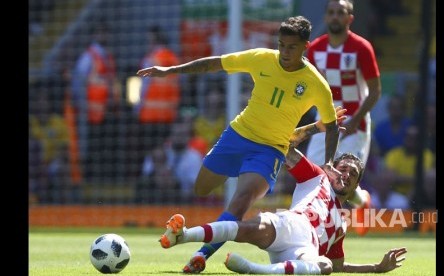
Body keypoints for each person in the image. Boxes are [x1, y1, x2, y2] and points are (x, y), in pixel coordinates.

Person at [137, 15, 340, 273]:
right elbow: (216, 64)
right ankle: (198, 238)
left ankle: (199, 256)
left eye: (291, 47)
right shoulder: (261, 58)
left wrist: (330, 162)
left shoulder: (316, 84)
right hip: (238, 135)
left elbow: (332, 126)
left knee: (240, 202)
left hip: (270, 150)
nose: (284, 52)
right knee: (201, 188)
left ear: (305, 47)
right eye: (281, 45)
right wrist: (171, 71)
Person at [158, 149, 406, 274]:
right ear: (332, 168)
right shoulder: (316, 176)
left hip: (303, 252)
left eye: (353, 174)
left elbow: (339, 265)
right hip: (293, 225)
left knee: (326, 266)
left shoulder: (342, 225)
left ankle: (256, 270)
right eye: (343, 168)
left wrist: (376, 267)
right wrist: (315, 128)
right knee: (246, 229)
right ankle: (185, 235)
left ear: (355, 186)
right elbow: (287, 147)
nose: (346, 175)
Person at [304, 0, 382, 220]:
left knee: (346, 179)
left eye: (341, 13)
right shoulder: (316, 49)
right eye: (331, 13)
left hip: (355, 124)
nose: (335, 16)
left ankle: (360, 200)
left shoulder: (361, 48)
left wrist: (355, 121)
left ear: (350, 19)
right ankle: (320, 221)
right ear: (326, 17)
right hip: (326, 121)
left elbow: (375, 91)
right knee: (315, 174)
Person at [71, 23, 121, 182]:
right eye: (100, 33)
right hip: (92, 112)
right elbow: (78, 81)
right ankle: (91, 179)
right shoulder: (89, 56)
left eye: (105, 32)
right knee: (93, 147)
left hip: (108, 110)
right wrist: (82, 104)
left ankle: (105, 178)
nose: (104, 36)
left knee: (107, 148)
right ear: (94, 35)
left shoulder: (107, 56)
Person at [134, 25, 181, 175]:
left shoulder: (150, 59)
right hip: (168, 115)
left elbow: (143, 87)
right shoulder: (174, 59)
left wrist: (137, 108)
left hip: (149, 115)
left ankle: (149, 177)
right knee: (165, 149)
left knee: (150, 152)